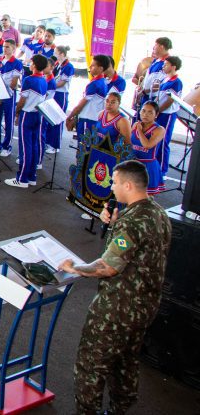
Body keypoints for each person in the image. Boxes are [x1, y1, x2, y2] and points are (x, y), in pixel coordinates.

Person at [59, 160, 171, 415]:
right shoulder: (157, 213)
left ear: (128, 185)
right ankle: (120, 408)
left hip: (118, 308)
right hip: (145, 306)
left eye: (115, 182)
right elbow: (138, 254)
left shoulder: (132, 223)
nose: (112, 186)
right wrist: (112, 225)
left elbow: (108, 267)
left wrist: (75, 267)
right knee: (126, 360)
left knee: (91, 364)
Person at [5, 54, 48, 188]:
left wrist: (17, 112)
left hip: (27, 115)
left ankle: (22, 178)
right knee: (34, 146)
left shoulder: (29, 80)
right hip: (37, 115)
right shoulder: (44, 81)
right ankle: (31, 176)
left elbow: (22, 100)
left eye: (31, 62)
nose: (30, 63)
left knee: (25, 148)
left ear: (34, 65)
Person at [0, 39, 22, 157]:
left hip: (9, 95)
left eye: (8, 47)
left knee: (8, 121)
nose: (5, 49)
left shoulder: (17, 63)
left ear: (13, 49)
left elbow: (14, 83)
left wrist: (4, 93)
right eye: (4, 47)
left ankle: (7, 146)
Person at [66, 55, 111, 144]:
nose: (90, 67)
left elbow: (81, 105)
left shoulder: (95, 84)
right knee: (88, 150)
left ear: (101, 68)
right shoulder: (103, 82)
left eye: (93, 65)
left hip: (88, 120)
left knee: (83, 150)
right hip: (93, 119)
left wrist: (70, 116)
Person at [154, 55, 183, 176]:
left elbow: (170, 100)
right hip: (159, 112)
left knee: (163, 141)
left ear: (173, 67)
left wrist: (158, 110)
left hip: (167, 114)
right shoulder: (165, 79)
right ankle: (155, 166)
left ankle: (162, 170)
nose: (163, 66)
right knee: (156, 140)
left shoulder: (176, 82)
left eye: (166, 65)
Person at [131, 102, 166, 194]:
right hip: (133, 163)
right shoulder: (135, 125)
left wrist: (139, 130)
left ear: (156, 115)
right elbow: (128, 142)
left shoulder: (159, 129)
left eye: (150, 112)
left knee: (146, 199)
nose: (145, 114)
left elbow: (147, 145)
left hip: (148, 166)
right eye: (143, 111)